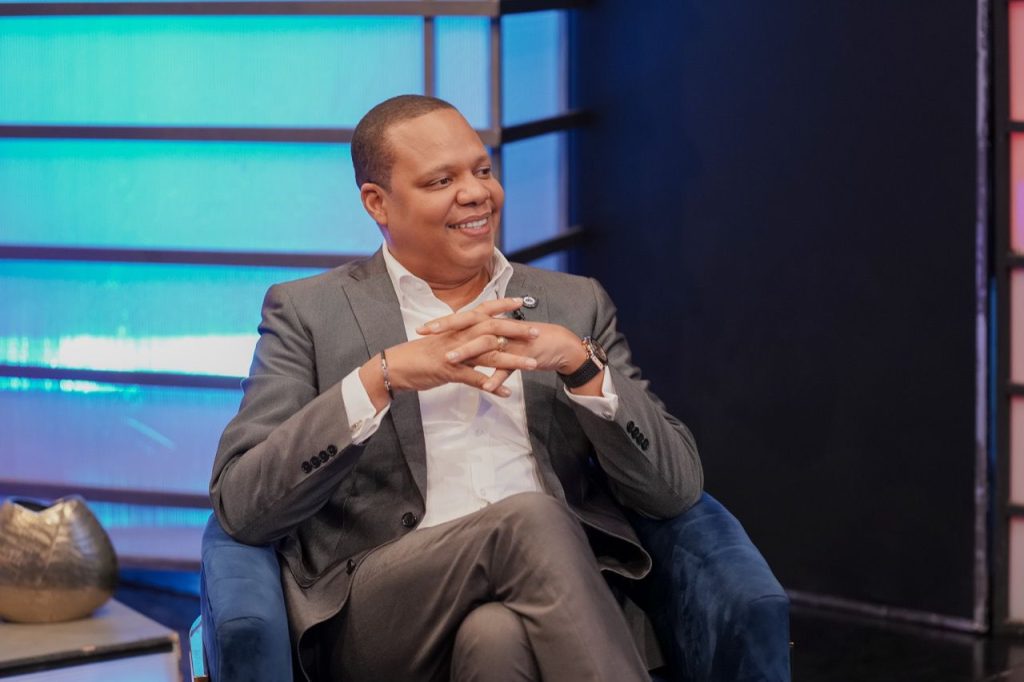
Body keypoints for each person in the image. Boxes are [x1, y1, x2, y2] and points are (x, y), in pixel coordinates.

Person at [209, 94, 704, 682]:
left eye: (482, 170)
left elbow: (675, 490)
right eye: (441, 180)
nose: (476, 193)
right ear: (377, 202)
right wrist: (380, 378)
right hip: (386, 609)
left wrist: (582, 366)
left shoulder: (574, 304)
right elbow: (242, 505)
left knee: (496, 638)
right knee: (531, 521)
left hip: (552, 599)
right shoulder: (308, 312)